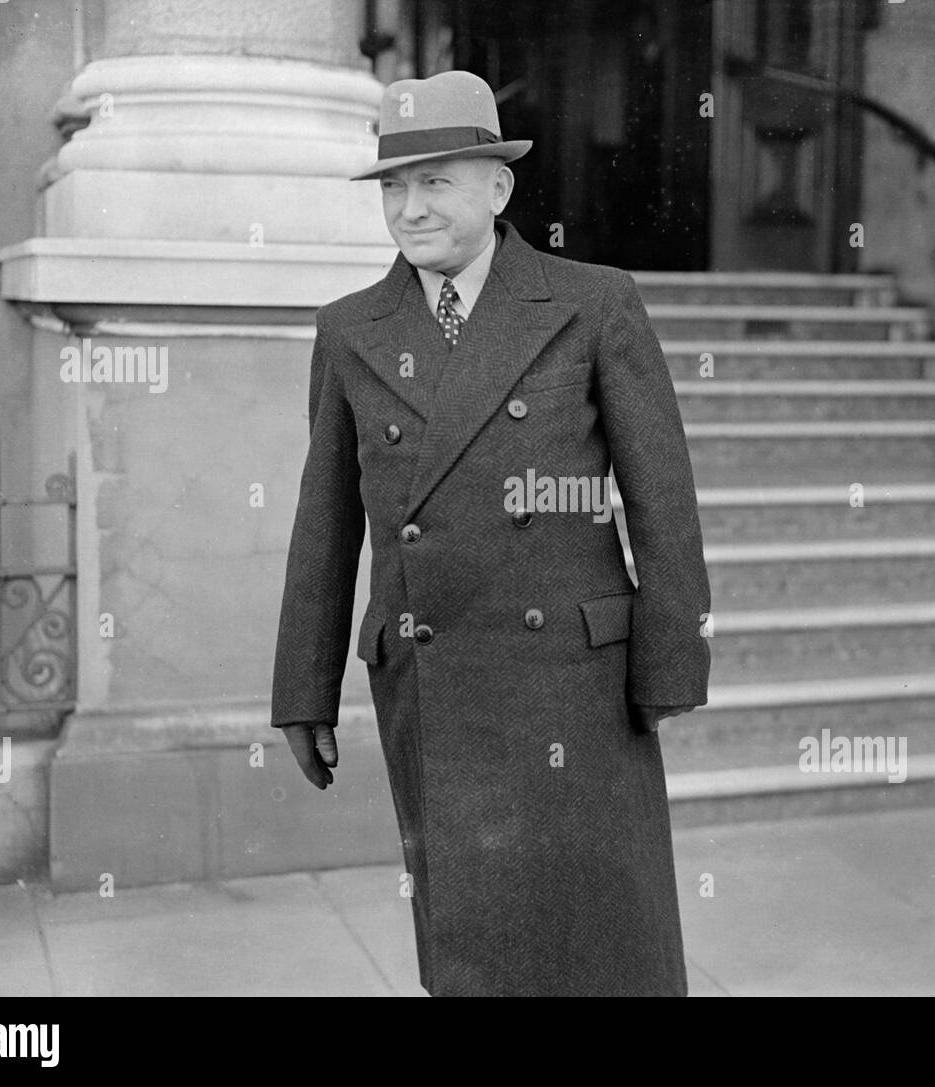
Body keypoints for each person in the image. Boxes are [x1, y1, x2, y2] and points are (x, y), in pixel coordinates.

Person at [270, 69, 710, 996]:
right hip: (435, 681)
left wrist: (670, 661)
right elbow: (325, 522)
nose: (410, 207)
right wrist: (303, 688)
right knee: (473, 948)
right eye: (394, 185)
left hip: (574, 682)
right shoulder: (351, 329)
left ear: (498, 187)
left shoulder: (592, 303)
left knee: (605, 939)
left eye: (435, 181)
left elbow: (661, 499)